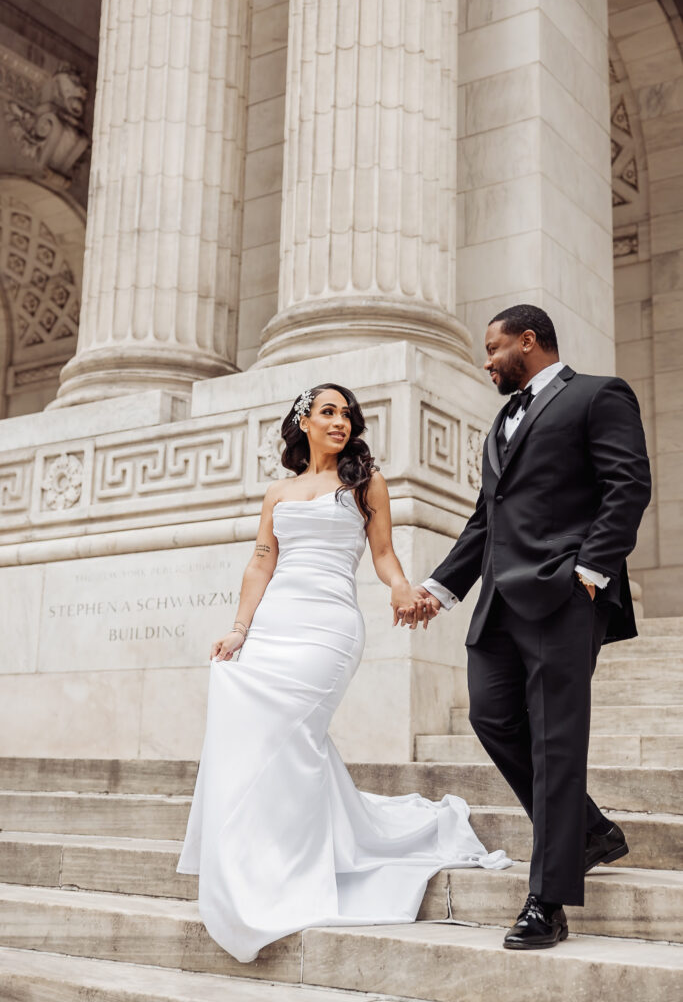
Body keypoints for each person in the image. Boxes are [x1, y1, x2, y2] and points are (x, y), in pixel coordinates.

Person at [177, 382, 510, 963]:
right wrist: (239, 629)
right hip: (275, 625)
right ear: (303, 420)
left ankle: (294, 869)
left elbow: (382, 555)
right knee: (258, 739)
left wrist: (404, 589)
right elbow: (261, 561)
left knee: (295, 737)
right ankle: (256, 858)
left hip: (329, 630)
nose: (340, 422)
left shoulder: (365, 483)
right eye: (328, 412)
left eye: (347, 414)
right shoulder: (278, 492)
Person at [414, 305, 651, 950]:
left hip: (564, 596)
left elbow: (628, 484)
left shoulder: (598, 395)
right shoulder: (502, 419)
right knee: (492, 717)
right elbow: (484, 518)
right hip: (498, 603)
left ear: (528, 341)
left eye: (493, 348)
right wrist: (439, 589)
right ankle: (589, 831)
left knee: (555, 741)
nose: (486, 361)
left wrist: (591, 572)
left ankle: (548, 901)